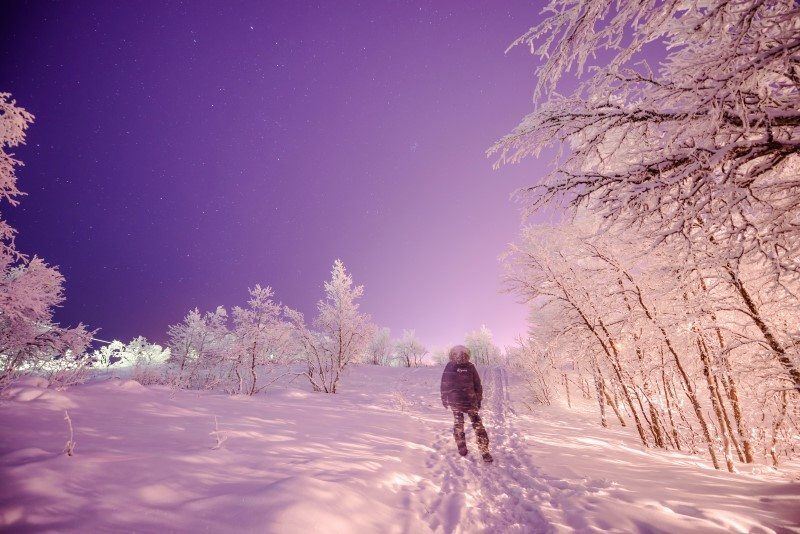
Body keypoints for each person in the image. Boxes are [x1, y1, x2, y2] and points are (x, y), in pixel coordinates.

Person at [440, 345, 493, 462]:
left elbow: (445, 383)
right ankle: (485, 452)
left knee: (458, 425)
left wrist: (444, 398)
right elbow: (477, 385)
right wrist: (478, 400)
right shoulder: (470, 366)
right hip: (471, 401)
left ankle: (462, 449)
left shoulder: (450, 366)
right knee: (478, 425)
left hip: (455, 402)